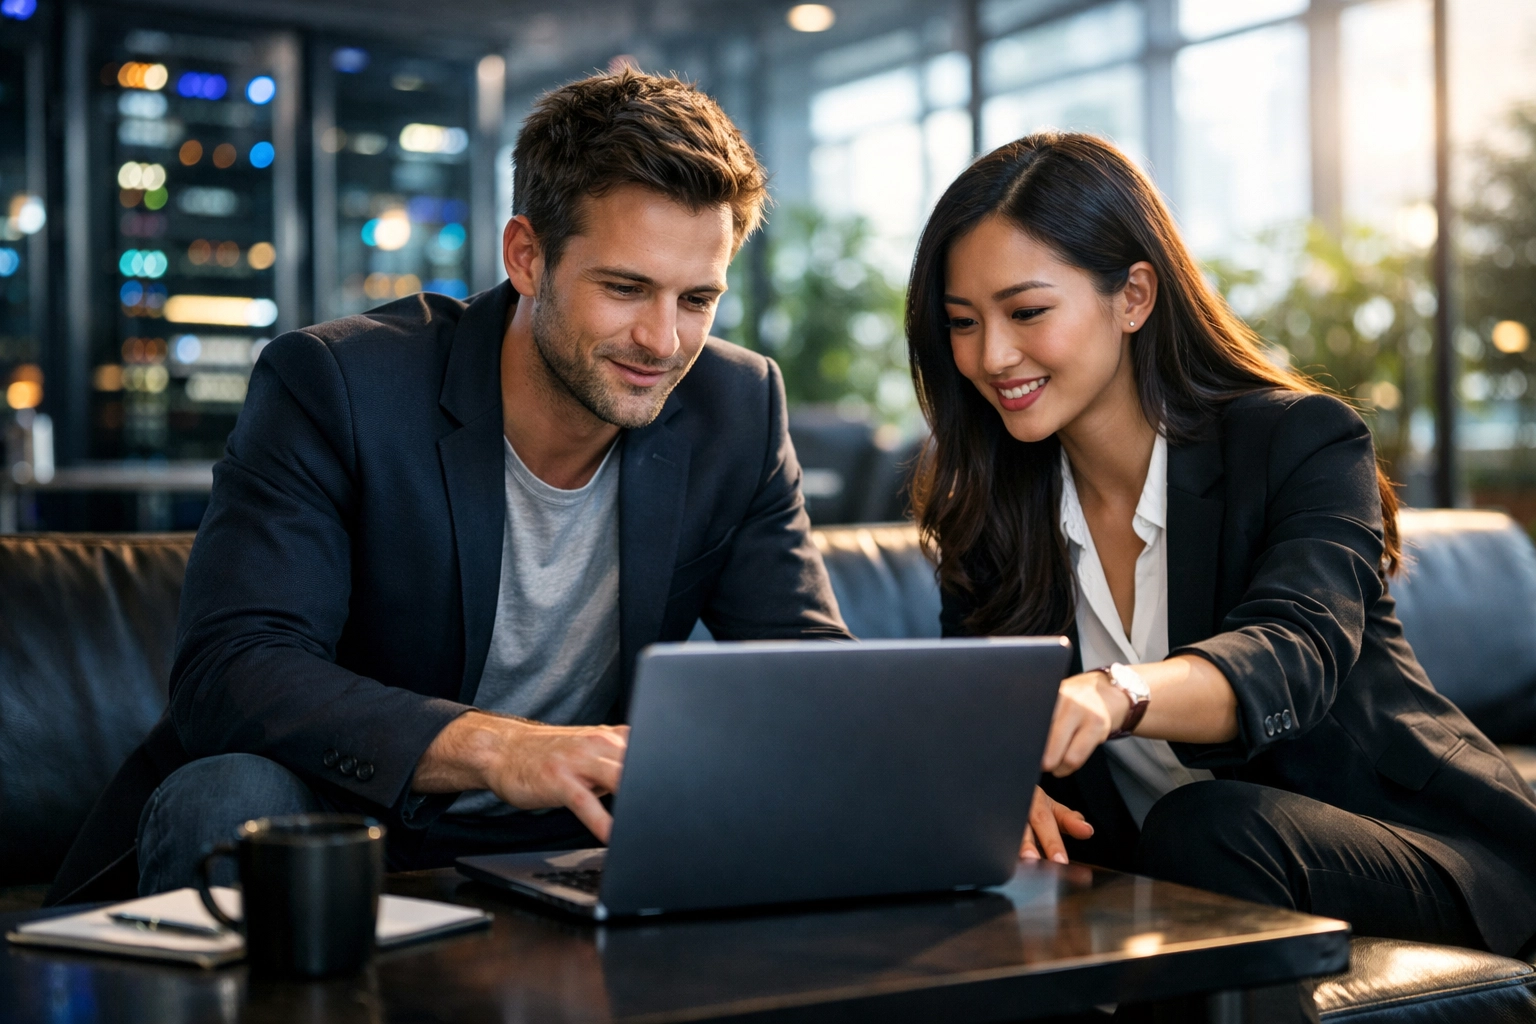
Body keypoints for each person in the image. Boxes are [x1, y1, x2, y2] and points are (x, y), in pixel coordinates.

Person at [47, 69, 849, 904]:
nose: (661, 339)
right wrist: (505, 751)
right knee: (232, 795)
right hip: (351, 822)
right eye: (624, 288)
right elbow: (235, 668)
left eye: (698, 299)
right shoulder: (338, 384)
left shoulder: (738, 404)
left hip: (580, 833)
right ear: (527, 256)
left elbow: (808, 670)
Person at [906, 131, 1536, 959]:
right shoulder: (992, 515)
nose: (991, 356)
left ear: (1133, 296)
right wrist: (998, 783)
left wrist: (1114, 692)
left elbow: (1293, 650)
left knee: (1208, 826)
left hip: (1427, 854)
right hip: (1176, 881)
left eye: (1027, 312)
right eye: (962, 323)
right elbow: (980, 719)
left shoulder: (1300, 442)